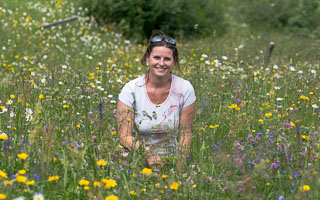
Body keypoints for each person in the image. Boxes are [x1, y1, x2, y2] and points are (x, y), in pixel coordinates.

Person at [117, 34, 196, 171]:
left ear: (174, 61)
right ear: (148, 58)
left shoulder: (185, 89)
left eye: (167, 59)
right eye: (156, 57)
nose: (161, 63)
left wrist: (179, 170)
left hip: (170, 158)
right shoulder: (131, 89)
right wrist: (148, 152)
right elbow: (124, 136)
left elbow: (186, 134)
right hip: (136, 157)